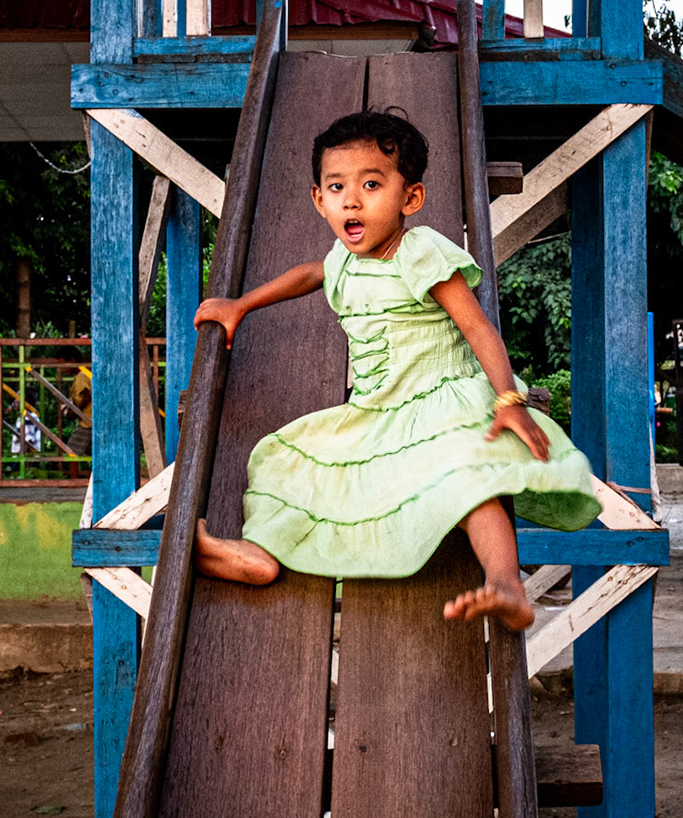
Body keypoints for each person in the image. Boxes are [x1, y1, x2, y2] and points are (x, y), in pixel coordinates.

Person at [191, 110, 601, 629]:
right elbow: (308, 274)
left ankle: (505, 583)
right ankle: (257, 554)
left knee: (470, 477)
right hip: (378, 415)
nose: (352, 200)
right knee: (288, 467)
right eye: (336, 187)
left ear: (410, 199)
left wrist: (508, 401)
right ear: (319, 200)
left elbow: (478, 329)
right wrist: (241, 304)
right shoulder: (343, 260)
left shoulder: (419, 252)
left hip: (445, 400)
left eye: (371, 184)